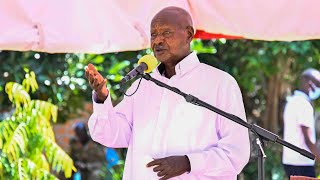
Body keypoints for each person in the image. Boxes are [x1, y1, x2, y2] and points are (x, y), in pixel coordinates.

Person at [85, 6, 250, 180]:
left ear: (189, 34)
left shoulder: (220, 83)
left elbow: (235, 153)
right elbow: (111, 135)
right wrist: (102, 97)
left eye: (166, 33)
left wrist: (188, 163)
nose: (158, 41)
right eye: (153, 34)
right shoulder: (142, 86)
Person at [282, 68, 320, 178]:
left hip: (290, 161)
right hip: (302, 163)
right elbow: (307, 139)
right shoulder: (303, 105)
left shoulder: (292, 101)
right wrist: (318, 156)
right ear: (310, 84)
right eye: (319, 85)